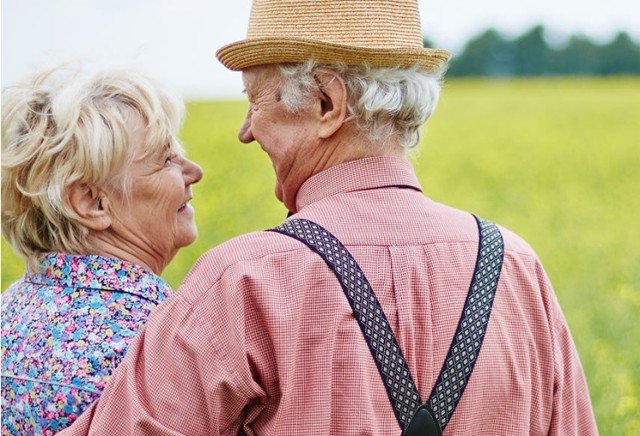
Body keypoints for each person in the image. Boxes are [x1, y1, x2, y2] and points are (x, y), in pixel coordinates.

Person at [61, 0, 598, 434]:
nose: (245, 131)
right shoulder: (516, 269)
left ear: (326, 103)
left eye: (256, 101)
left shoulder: (243, 282)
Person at [0, 65, 203, 435]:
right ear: (92, 203)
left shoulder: (10, 310)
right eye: (166, 159)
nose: (195, 171)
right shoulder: (158, 342)